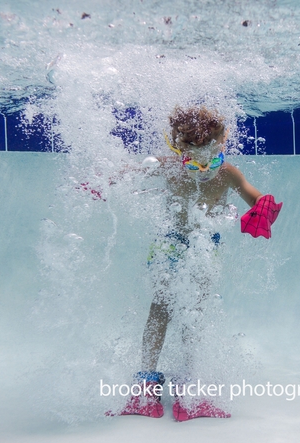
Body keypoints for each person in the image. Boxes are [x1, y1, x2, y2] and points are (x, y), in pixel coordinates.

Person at [108, 105, 282, 422]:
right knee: (162, 309)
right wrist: (101, 184)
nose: (207, 152)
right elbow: (129, 173)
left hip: (199, 246)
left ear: (222, 140)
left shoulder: (225, 172)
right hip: (170, 244)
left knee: (191, 313)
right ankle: (147, 383)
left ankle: (186, 387)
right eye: (201, 146)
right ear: (183, 145)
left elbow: (252, 196)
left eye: (212, 144)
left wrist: (264, 207)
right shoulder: (173, 167)